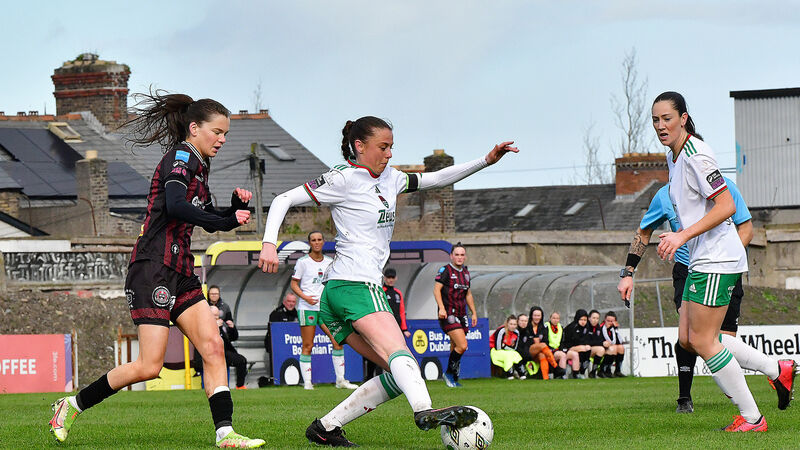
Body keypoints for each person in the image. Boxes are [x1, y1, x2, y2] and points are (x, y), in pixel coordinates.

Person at [257, 115, 517, 446]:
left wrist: (486, 160)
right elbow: (282, 200)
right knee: (402, 357)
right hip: (356, 287)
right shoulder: (343, 179)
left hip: (337, 297)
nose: (389, 154)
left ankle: (326, 427)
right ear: (359, 146)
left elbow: (436, 178)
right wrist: (269, 243)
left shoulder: (392, 179)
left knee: (401, 373)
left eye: (392, 147)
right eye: (383, 147)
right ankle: (425, 410)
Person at [48, 92, 264, 447]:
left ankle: (225, 433)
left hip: (179, 268)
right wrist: (223, 216)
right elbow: (178, 206)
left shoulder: (201, 164)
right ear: (194, 129)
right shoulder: (181, 156)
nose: (223, 140)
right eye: (218, 132)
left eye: (226, 134)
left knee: (212, 346)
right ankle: (71, 405)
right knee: (150, 366)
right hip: (153, 266)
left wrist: (233, 209)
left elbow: (209, 222)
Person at [650, 91, 791, 432]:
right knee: (688, 337)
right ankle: (775, 369)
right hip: (703, 258)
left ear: (684, 118)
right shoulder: (675, 156)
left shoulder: (697, 155)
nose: (660, 125)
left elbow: (726, 205)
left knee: (702, 340)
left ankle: (752, 418)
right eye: (655, 120)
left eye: (667, 118)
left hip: (717, 258)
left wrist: (681, 236)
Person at [617, 176, 795, 413]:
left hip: (720, 268)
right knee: (690, 338)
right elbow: (643, 232)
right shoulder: (666, 194)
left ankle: (760, 396)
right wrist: (628, 272)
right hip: (688, 270)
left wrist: (727, 259)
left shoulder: (724, 187)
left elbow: (746, 228)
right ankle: (695, 399)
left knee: (710, 339)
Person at [291, 231, 358, 390]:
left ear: (323, 242)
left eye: (319, 240)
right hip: (307, 308)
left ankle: (340, 380)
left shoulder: (329, 261)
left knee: (337, 340)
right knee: (308, 344)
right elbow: (294, 284)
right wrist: (306, 297)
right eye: (313, 240)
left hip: (325, 308)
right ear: (309, 243)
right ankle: (307, 382)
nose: (316, 242)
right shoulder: (303, 262)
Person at [434, 243, 478, 388]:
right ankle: (448, 373)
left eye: (462, 255)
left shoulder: (466, 272)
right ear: (451, 256)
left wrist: (474, 313)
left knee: (455, 346)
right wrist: (441, 308)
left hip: (462, 313)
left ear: (465, 257)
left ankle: (453, 376)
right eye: (457, 254)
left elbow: (468, 294)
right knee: (463, 345)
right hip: (448, 313)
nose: (459, 257)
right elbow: (436, 290)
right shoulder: (445, 270)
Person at [365, 267, 411, 379]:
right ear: (384, 278)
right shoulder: (380, 291)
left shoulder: (398, 293)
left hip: (396, 328)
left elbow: (401, 312)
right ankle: (371, 377)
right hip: (383, 327)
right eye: (388, 277)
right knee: (378, 353)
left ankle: (396, 377)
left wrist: (404, 329)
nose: (390, 280)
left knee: (396, 353)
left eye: (392, 277)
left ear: (396, 278)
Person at [195, 306, 249, 389]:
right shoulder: (202, 324)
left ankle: (240, 386)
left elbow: (232, 338)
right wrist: (215, 327)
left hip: (223, 352)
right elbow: (205, 339)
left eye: (217, 315)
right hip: (209, 352)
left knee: (241, 360)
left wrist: (232, 328)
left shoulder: (221, 324)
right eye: (214, 315)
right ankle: (210, 387)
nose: (216, 317)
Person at [523, 306, 557, 380]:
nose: (536, 317)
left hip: (540, 352)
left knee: (542, 355)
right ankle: (554, 365)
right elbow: (525, 342)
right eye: (535, 315)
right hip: (528, 351)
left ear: (541, 316)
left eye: (538, 315)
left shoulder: (543, 327)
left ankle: (545, 378)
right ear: (531, 316)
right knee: (542, 345)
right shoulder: (527, 326)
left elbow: (546, 341)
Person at [489, 315, 525, 379]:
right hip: (494, 350)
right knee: (508, 356)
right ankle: (509, 374)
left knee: (516, 354)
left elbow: (514, 348)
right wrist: (507, 347)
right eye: (511, 324)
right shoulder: (501, 331)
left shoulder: (516, 333)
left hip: (508, 351)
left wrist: (505, 346)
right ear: (507, 324)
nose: (512, 326)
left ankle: (522, 374)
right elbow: (498, 347)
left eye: (514, 324)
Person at [562, 309, 591, 379]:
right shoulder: (572, 327)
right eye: (581, 320)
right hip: (569, 347)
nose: (583, 322)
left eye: (585, 320)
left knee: (587, 348)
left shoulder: (587, 327)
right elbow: (567, 341)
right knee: (583, 349)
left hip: (581, 347)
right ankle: (577, 373)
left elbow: (587, 339)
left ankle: (582, 371)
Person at [599, 312, 625, 378]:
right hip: (602, 347)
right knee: (612, 348)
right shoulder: (601, 328)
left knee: (621, 348)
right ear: (605, 320)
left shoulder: (613, 329)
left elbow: (619, 341)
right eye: (608, 321)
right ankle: (603, 370)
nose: (610, 323)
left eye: (612, 321)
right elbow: (600, 339)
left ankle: (617, 371)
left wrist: (616, 329)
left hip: (611, 347)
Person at [543, 311, 568, 378]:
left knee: (563, 354)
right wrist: (550, 349)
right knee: (562, 355)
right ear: (550, 318)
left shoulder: (561, 327)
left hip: (557, 350)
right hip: (548, 350)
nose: (555, 320)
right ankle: (560, 374)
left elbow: (562, 341)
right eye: (553, 318)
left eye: (557, 318)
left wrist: (561, 349)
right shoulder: (546, 326)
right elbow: (544, 340)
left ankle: (561, 374)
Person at [585, 310, 606, 378]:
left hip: (593, 349)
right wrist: (602, 343)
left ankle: (598, 371)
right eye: (593, 318)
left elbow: (600, 339)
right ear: (589, 318)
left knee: (608, 349)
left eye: (597, 318)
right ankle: (581, 371)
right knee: (600, 349)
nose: (595, 320)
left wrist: (605, 343)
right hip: (584, 349)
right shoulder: (586, 326)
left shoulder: (598, 327)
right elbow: (587, 341)